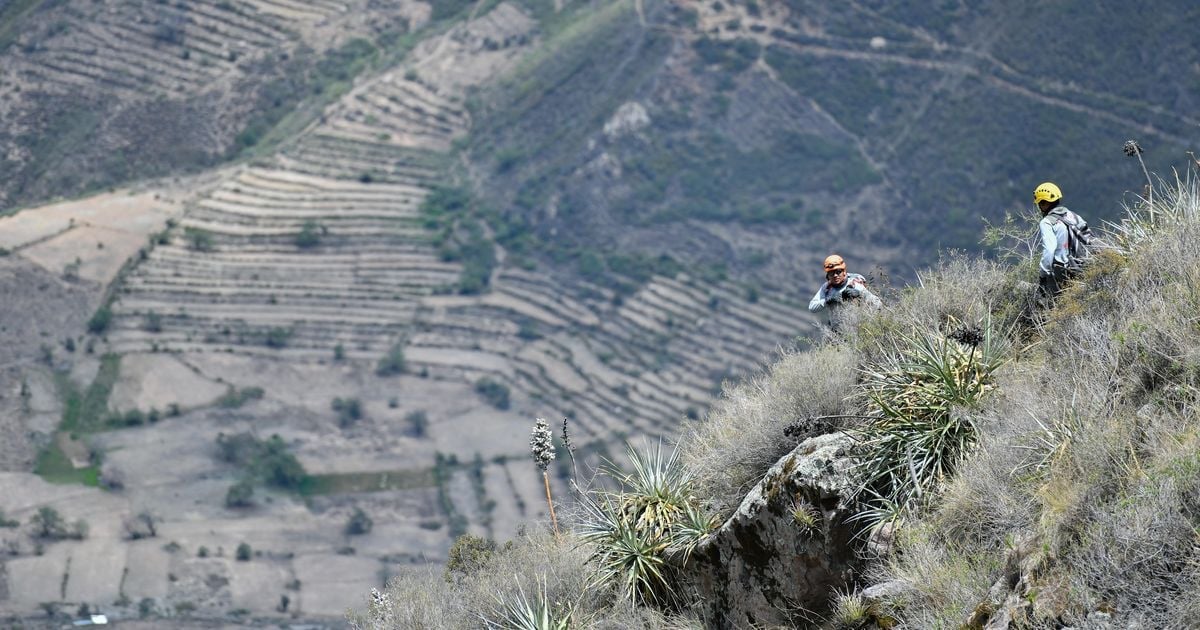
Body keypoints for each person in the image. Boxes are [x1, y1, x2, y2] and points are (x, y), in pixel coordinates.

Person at [1034, 182, 1091, 297]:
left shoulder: (1047, 222)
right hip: (1085, 264)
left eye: (1040, 203)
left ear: (1044, 204)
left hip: (1063, 270)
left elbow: (1049, 250)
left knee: (1052, 302)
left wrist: (1043, 274)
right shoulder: (1073, 215)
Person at [808, 254, 881, 319]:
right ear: (828, 276)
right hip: (837, 332)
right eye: (831, 273)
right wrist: (828, 300)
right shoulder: (826, 288)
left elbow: (878, 304)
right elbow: (812, 307)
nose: (835, 275)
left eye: (838, 272)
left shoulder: (854, 284)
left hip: (858, 330)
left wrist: (860, 294)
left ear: (844, 272)